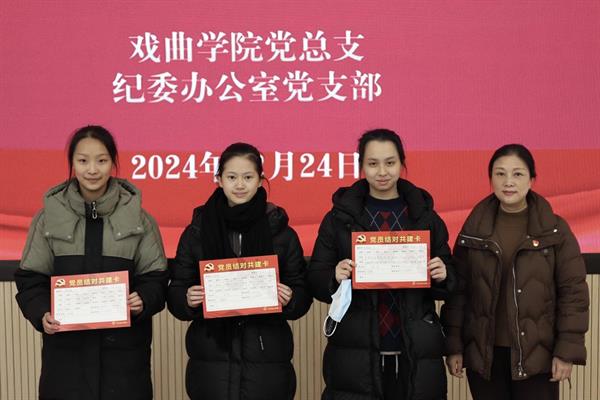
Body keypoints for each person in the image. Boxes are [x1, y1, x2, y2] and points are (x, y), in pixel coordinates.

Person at [14, 125, 168, 400]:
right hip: (65, 359)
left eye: (102, 160)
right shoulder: (47, 218)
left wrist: (143, 298)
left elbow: (156, 277)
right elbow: (31, 279)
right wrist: (42, 312)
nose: (92, 170)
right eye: (83, 160)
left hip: (124, 362)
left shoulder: (140, 219)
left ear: (113, 163)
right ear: (72, 163)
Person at [308, 128, 456, 400]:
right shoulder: (340, 218)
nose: (382, 172)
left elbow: (451, 279)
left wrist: (443, 274)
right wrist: (334, 276)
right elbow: (316, 277)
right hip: (356, 351)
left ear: (402, 163)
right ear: (361, 166)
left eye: (390, 162)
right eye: (373, 164)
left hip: (415, 350)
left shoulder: (424, 216)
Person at [441, 144, 589, 400]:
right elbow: (459, 292)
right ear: (491, 179)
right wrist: (454, 346)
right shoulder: (474, 229)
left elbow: (573, 294)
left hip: (537, 356)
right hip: (485, 357)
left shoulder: (555, 230)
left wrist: (565, 352)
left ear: (531, 180)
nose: (508, 182)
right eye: (500, 174)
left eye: (518, 174)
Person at [167, 142, 312, 400]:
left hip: (266, 359)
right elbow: (177, 291)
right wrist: (187, 299)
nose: (240, 185)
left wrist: (291, 298)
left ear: (260, 180)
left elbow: (302, 292)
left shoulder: (281, 232)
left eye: (248, 177)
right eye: (232, 177)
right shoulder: (197, 231)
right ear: (219, 180)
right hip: (211, 360)